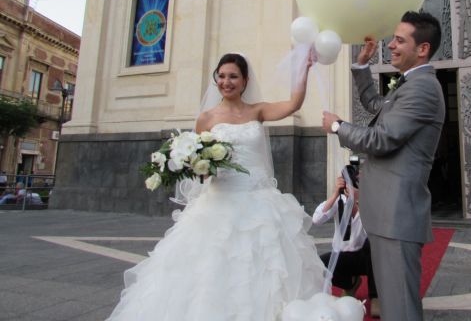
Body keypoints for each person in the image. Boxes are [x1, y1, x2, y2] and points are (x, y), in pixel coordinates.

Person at [108, 52, 325, 321]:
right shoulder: (206, 118)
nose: (226, 81)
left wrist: (303, 70)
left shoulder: (257, 110)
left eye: (233, 76)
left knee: (266, 269)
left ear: (245, 81)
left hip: (260, 201)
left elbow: (293, 104)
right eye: (221, 76)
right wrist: (198, 169)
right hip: (219, 201)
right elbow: (195, 163)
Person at [322, 11, 445, 321]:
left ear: (422, 49)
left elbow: (381, 139)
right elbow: (377, 106)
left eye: (399, 40)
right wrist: (363, 64)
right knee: (392, 304)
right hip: (387, 215)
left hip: (397, 214)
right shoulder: (408, 86)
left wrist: (338, 127)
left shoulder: (423, 88)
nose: (390, 45)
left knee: (400, 307)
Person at [312, 167, 380, 317]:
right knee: (319, 264)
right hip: (344, 255)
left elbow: (372, 230)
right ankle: (350, 284)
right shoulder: (339, 200)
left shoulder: (370, 201)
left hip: (365, 256)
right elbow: (316, 219)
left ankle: (375, 297)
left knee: (373, 246)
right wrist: (336, 193)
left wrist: (357, 203)